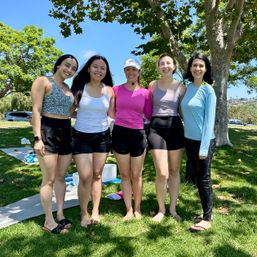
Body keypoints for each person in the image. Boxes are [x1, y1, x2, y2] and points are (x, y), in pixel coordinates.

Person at [31, 54, 79, 234]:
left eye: (73, 68)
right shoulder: (43, 81)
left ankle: (60, 214)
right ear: (58, 65)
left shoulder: (68, 88)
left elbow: (70, 112)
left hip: (66, 131)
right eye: (67, 65)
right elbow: (36, 111)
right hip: (48, 130)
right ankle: (48, 220)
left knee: (61, 176)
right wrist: (38, 138)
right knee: (49, 179)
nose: (69, 70)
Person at [71, 55, 114, 227]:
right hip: (81, 136)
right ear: (88, 68)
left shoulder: (109, 90)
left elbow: (112, 114)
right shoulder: (80, 87)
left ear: (106, 71)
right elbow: (71, 111)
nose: (99, 70)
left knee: (97, 175)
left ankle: (95, 210)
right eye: (95, 67)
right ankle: (84, 212)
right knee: (85, 176)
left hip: (102, 137)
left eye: (102, 68)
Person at [112, 58, 152, 221]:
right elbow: (111, 111)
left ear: (138, 72)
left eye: (134, 70)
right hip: (120, 133)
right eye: (128, 69)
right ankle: (128, 210)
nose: (131, 73)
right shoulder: (116, 90)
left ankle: (137, 209)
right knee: (125, 174)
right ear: (124, 72)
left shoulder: (145, 93)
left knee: (137, 174)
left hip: (138, 134)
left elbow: (149, 114)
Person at [181, 53, 216, 232]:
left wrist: (204, 148)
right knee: (196, 177)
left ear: (206, 69)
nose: (197, 69)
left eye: (201, 66)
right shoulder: (186, 87)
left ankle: (208, 219)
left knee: (203, 178)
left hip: (204, 141)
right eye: (194, 65)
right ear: (190, 68)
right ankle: (205, 212)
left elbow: (210, 121)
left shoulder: (208, 89)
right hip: (189, 140)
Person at [147, 53, 185, 222]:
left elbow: (185, 110)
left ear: (174, 66)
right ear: (158, 67)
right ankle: (161, 210)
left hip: (175, 127)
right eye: (162, 63)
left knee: (174, 171)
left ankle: (173, 209)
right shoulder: (152, 85)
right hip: (156, 129)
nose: (165, 66)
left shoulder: (181, 86)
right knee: (162, 173)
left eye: (168, 63)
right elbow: (145, 108)